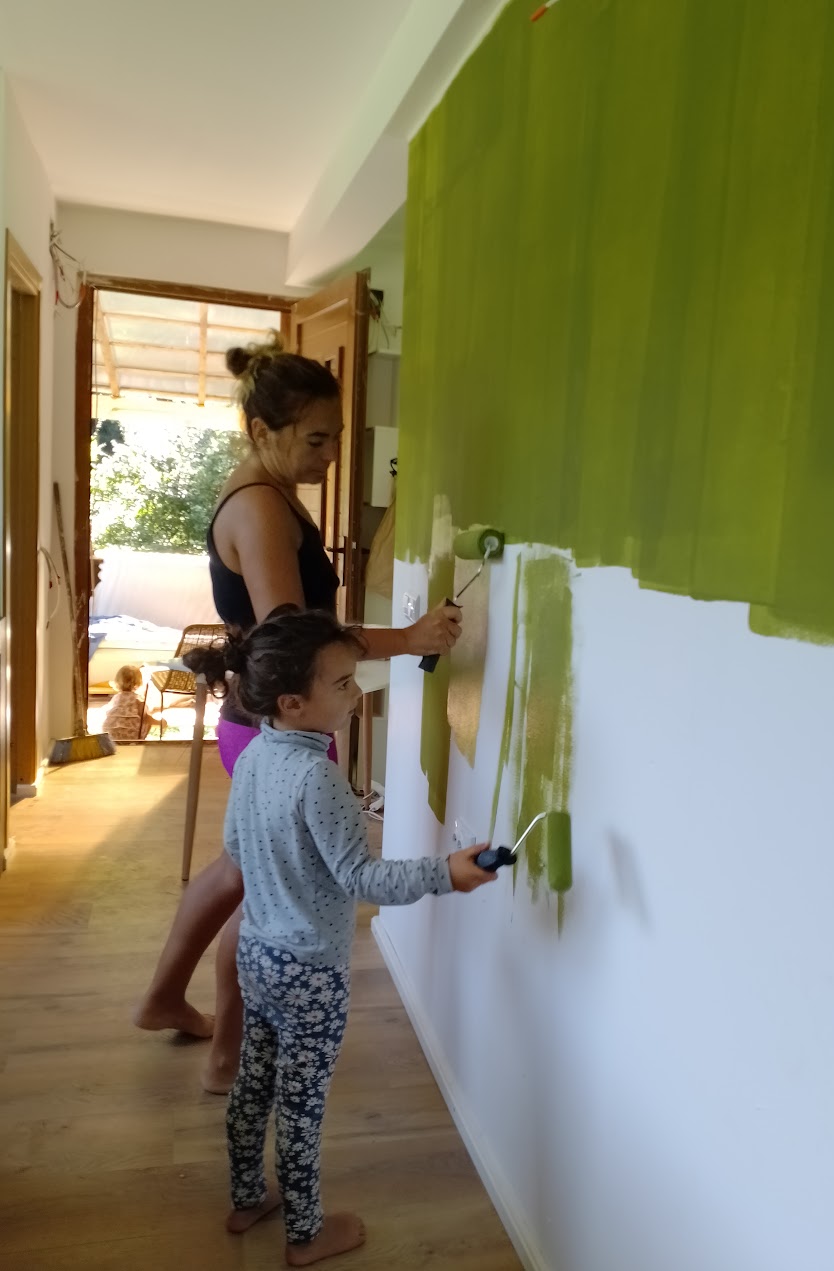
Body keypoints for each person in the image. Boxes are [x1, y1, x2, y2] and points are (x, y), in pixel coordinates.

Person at [134, 334, 461, 1093]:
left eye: (336, 437)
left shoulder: (267, 493)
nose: (331, 455)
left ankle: (163, 999)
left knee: (238, 870)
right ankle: (227, 1055)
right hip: (272, 725)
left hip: (257, 719)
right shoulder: (260, 508)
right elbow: (296, 641)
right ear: (262, 430)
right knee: (262, 892)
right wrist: (409, 638)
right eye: (315, 439)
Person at [192, 609, 494, 1266]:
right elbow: (362, 878)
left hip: (257, 954)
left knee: (255, 1080)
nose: (356, 693)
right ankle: (305, 1234)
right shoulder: (318, 776)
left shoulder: (254, 755)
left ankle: (247, 1197)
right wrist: (445, 872)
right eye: (342, 683)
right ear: (292, 702)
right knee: (300, 1105)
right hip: (309, 973)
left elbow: (236, 848)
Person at [102, 664, 159, 740]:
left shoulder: (116, 698)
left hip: (110, 736)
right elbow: (146, 718)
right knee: (145, 721)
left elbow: (110, 712)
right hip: (130, 737)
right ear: (138, 683)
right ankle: (140, 741)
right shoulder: (137, 700)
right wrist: (159, 722)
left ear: (117, 681)